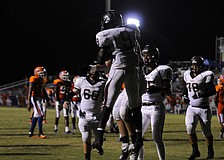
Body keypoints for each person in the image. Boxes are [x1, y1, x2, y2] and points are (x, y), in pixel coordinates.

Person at [90, 10, 144, 156]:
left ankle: (99, 137)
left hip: (118, 68)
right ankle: (138, 137)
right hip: (133, 70)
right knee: (135, 106)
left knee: (108, 104)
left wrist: (99, 61)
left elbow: (102, 56)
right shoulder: (132, 30)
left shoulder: (105, 34)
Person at [138, 44, 173, 160]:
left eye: (148, 55)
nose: (146, 58)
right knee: (137, 136)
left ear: (154, 56)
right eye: (144, 55)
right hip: (143, 107)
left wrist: (157, 89)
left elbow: (168, 91)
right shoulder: (140, 70)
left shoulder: (162, 70)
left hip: (156, 107)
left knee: (156, 137)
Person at [63, 68, 106, 160]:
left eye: (95, 73)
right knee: (86, 138)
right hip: (84, 115)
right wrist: (66, 100)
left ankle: (98, 145)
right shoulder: (81, 81)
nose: (93, 74)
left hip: (97, 115)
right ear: (88, 73)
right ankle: (87, 157)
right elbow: (73, 92)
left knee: (100, 139)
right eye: (92, 72)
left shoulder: (103, 83)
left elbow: (107, 96)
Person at [182, 56, 216, 160]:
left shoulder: (206, 75)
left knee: (206, 132)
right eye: (193, 64)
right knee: (189, 128)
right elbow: (185, 87)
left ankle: (210, 150)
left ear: (201, 66)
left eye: (197, 65)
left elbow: (212, 91)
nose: (194, 67)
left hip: (204, 108)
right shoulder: (187, 74)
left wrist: (201, 94)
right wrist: (185, 96)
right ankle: (195, 151)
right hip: (191, 108)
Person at [27, 66, 48, 139]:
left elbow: (43, 89)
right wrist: (29, 102)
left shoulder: (42, 80)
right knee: (40, 114)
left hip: (39, 98)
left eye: (44, 73)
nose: (43, 74)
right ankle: (40, 133)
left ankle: (31, 132)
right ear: (36, 73)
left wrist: (46, 97)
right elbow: (30, 91)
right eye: (42, 73)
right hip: (34, 98)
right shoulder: (33, 78)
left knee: (36, 115)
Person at [53, 70, 73, 134]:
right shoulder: (58, 82)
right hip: (59, 100)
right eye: (64, 76)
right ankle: (56, 128)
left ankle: (67, 129)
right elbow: (56, 93)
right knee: (58, 115)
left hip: (65, 100)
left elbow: (69, 92)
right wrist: (57, 102)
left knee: (66, 115)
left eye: (66, 76)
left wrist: (68, 100)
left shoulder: (68, 83)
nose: (65, 77)